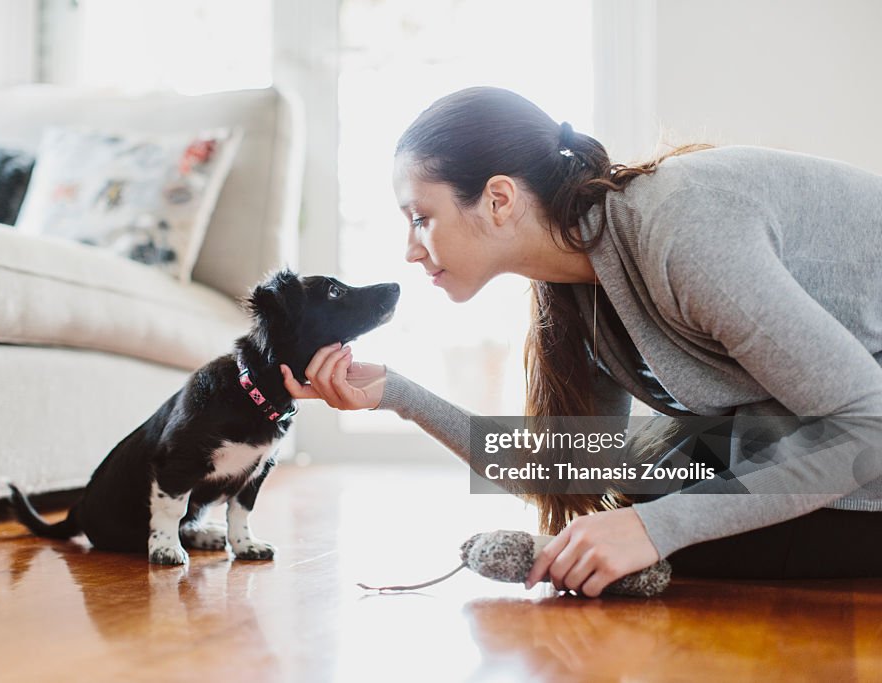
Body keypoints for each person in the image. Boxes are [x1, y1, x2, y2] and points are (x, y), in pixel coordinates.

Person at [281, 86, 882, 597]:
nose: (410, 249)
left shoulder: (682, 230)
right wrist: (396, 395)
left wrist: (655, 529)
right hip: (837, 429)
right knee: (651, 476)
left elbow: (869, 425)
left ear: (498, 199)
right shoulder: (579, 283)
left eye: (420, 218)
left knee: (667, 508)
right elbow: (572, 465)